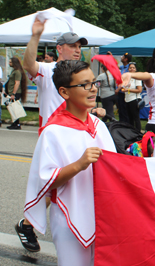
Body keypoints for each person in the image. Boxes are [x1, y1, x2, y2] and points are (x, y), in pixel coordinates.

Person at [19, 19, 104, 253]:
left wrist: (94, 110)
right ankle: (29, 223)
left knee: (81, 185)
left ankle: (30, 223)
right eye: (72, 45)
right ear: (59, 49)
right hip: (58, 137)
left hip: (82, 132)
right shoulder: (48, 70)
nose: (77, 49)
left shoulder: (82, 76)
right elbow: (28, 64)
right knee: (56, 183)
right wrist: (35, 36)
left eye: (80, 46)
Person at [23, 60, 116, 265]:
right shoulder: (53, 131)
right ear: (65, 92)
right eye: (84, 85)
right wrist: (79, 164)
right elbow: (45, 181)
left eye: (93, 83)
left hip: (102, 213)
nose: (92, 89)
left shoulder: (99, 125)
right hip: (68, 215)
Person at [5, 57, 28, 130]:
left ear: (14, 63)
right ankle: (15, 123)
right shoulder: (14, 71)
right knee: (12, 108)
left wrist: (13, 94)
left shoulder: (17, 72)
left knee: (15, 108)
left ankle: (17, 124)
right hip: (12, 92)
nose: (9, 63)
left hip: (16, 92)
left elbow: (17, 83)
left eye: (10, 62)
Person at [122, 62, 142, 131]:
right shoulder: (127, 78)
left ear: (135, 69)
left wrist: (128, 90)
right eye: (130, 67)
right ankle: (131, 132)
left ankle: (138, 132)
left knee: (136, 118)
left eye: (133, 67)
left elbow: (139, 90)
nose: (132, 69)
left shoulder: (137, 77)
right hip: (127, 99)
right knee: (129, 118)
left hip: (134, 99)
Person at [117, 53, 133, 123]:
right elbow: (114, 66)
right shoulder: (122, 67)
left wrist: (118, 88)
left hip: (125, 92)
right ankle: (121, 124)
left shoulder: (129, 69)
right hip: (120, 93)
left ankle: (126, 125)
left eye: (123, 57)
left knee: (125, 110)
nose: (121, 57)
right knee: (120, 110)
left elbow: (126, 81)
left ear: (126, 59)